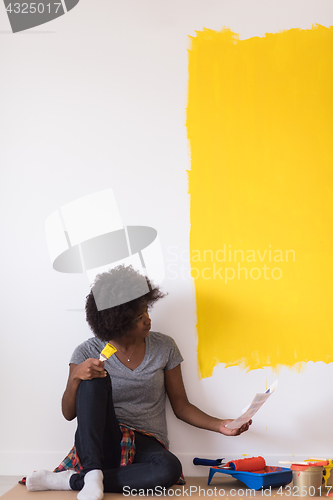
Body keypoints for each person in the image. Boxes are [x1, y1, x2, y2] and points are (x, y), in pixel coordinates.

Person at [26, 265, 251, 500]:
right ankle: (92, 472)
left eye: (146, 311)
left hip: (145, 442)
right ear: (118, 321)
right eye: (138, 317)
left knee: (168, 469)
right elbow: (68, 413)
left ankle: (74, 480)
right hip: (103, 441)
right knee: (93, 382)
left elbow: (181, 406)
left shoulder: (164, 347)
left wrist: (221, 425)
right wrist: (75, 377)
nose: (148, 320)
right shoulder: (87, 351)